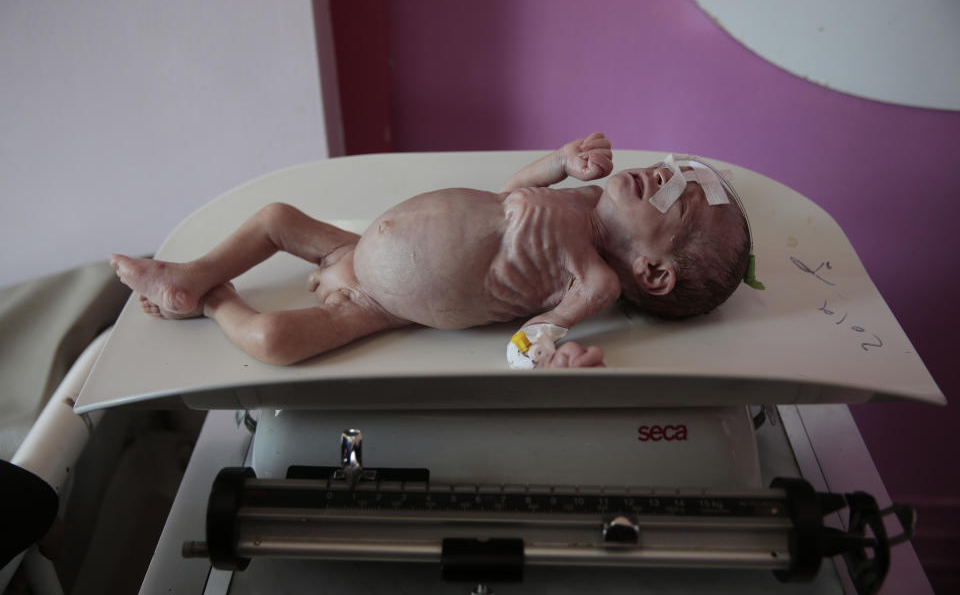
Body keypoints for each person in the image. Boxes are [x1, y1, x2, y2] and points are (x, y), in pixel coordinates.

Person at [110, 133, 750, 369]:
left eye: (679, 202)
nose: (663, 178)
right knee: (277, 218)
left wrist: (551, 362)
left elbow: (526, 342)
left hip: (379, 301)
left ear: (653, 273)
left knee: (275, 340)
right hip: (357, 246)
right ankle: (194, 275)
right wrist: (558, 161)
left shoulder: (597, 282)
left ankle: (216, 301)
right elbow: (509, 192)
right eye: (674, 173)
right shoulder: (582, 203)